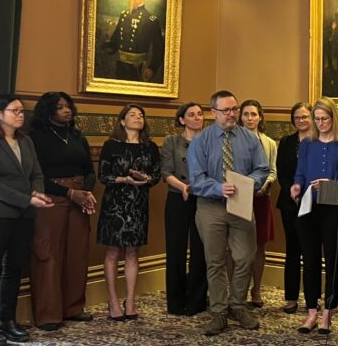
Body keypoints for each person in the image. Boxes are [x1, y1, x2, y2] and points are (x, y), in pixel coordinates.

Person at [0, 95, 53, 346]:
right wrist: (27, 198)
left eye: (21, 110)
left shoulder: (25, 142)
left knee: (14, 269)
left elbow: (37, 174)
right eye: (14, 110)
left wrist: (37, 192)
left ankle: (7, 320)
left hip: (22, 216)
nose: (20, 114)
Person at [188, 90, 269, 336]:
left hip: (241, 204)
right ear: (213, 112)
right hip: (210, 206)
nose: (232, 114)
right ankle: (219, 312)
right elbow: (196, 179)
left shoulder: (249, 138)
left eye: (234, 109)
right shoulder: (201, 141)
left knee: (245, 257)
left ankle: (238, 305)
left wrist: (248, 183)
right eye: (226, 110)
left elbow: (262, 168)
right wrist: (218, 187)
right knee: (215, 260)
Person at [28, 92, 96, 331]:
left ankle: (73, 308)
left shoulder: (77, 136)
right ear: (48, 111)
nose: (67, 110)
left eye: (68, 106)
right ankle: (49, 314)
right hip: (51, 198)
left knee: (77, 253)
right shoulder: (36, 138)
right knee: (49, 254)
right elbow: (36, 176)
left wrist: (86, 192)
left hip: (79, 196)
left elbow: (89, 169)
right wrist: (69, 193)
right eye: (60, 107)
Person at [290, 97, 338, 334]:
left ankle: (328, 312)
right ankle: (311, 313)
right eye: (317, 119)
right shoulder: (307, 143)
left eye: (324, 118)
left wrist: (330, 184)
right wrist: (296, 185)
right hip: (308, 206)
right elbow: (300, 172)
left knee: (333, 260)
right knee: (311, 260)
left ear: (333, 117)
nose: (321, 123)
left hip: (333, 207)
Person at [97, 104, 160, 321]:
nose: (138, 117)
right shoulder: (111, 145)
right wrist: (123, 178)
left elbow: (156, 175)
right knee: (113, 252)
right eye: (132, 115)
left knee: (133, 252)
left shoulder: (150, 147)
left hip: (138, 204)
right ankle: (113, 300)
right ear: (122, 121)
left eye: (141, 115)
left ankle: (130, 300)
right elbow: (103, 175)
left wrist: (145, 178)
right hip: (114, 204)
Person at [161, 101, 208, 316]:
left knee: (200, 250)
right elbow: (166, 172)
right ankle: (176, 301)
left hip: (204, 198)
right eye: (192, 114)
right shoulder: (172, 141)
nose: (197, 117)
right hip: (177, 198)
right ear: (182, 120)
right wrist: (183, 187)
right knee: (176, 250)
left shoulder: (210, 141)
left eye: (200, 114)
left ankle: (196, 300)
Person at [240, 99, 278, 307]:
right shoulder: (232, 140)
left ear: (260, 117)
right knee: (234, 246)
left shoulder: (269, 143)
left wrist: (265, 187)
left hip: (261, 198)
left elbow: (272, 170)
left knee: (258, 246)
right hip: (238, 197)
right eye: (246, 114)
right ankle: (237, 290)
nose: (250, 118)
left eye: (253, 114)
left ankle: (256, 290)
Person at [275, 102, 312, 314]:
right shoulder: (286, 142)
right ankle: (290, 298)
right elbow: (282, 171)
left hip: (312, 203)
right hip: (289, 203)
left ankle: (311, 299)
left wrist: (306, 194)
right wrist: (292, 190)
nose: (301, 121)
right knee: (292, 251)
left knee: (310, 252)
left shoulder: (318, 141)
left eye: (305, 117)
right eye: (297, 117)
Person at [102, 0, 164, 83]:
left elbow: (158, 49)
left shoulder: (150, 19)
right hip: (120, 66)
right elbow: (115, 41)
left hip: (137, 68)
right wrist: (101, 46)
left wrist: (152, 68)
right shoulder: (124, 15)